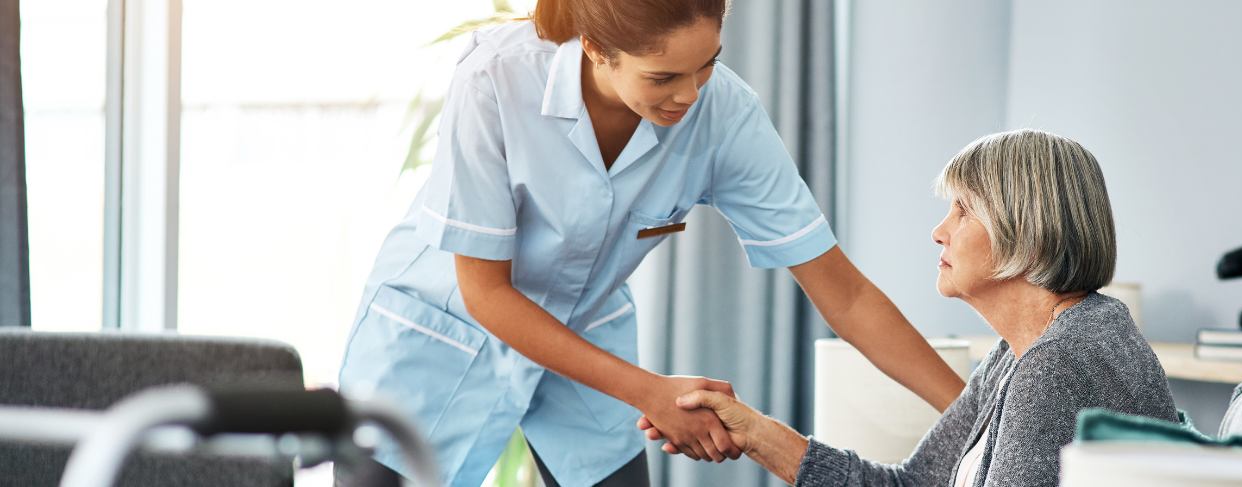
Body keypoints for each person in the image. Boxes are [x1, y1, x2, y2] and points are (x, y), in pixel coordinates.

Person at [336, 1, 966, 486]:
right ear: (595, 49)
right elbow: (487, 293)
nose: (690, 95)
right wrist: (651, 392)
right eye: (663, 75)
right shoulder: (496, 79)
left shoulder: (723, 113)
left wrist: (979, 412)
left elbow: (846, 295)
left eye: (708, 63)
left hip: (587, 328)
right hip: (442, 333)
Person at [642, 129, 1181, 486]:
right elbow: (913, 484)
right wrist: (753, 432)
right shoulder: (1020, 353)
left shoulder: (1060, 364)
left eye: (962, 210)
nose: (939, 231)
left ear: (1029, 230)